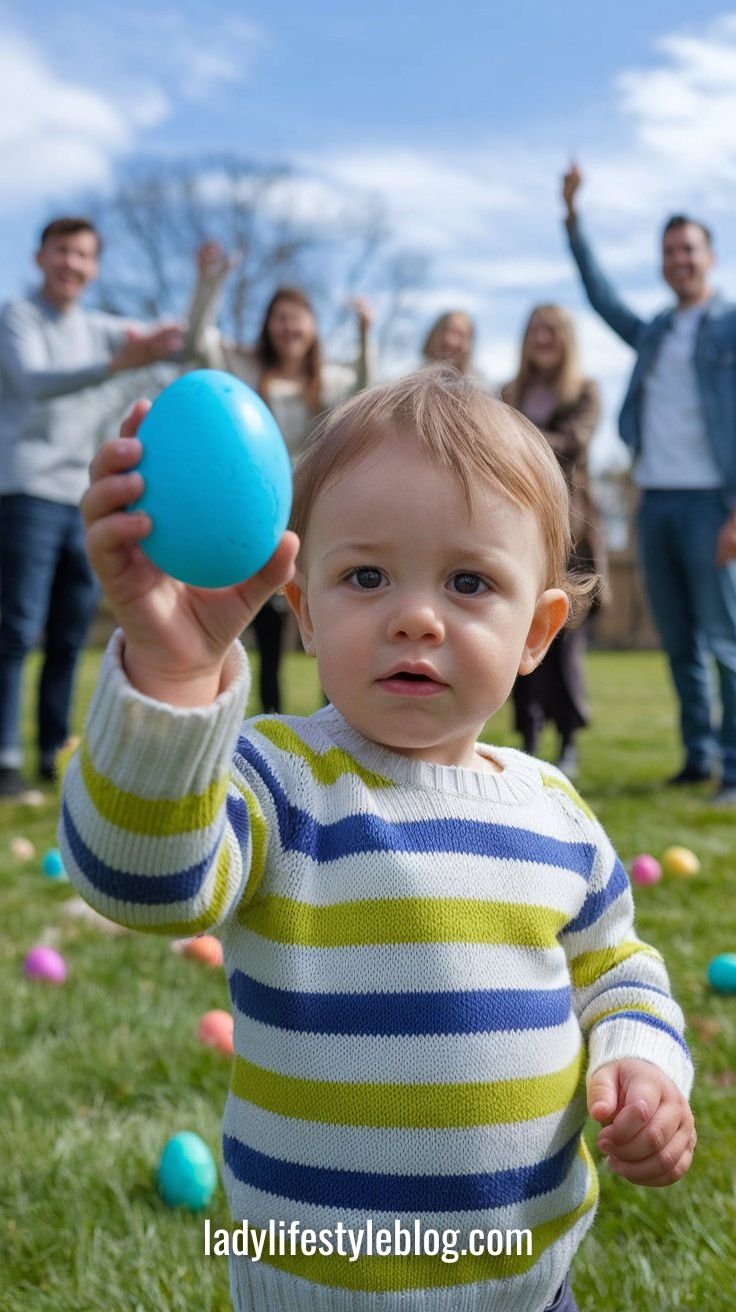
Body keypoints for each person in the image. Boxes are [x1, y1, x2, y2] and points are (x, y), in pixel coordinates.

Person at [61, 368, 694, 1312]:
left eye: (470, 581)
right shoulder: (278, 782)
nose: (415, 615)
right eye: (366, 576)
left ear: (538, 630)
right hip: (320, 1284)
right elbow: (145, 882)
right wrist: (173, 675)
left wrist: (641, 1059)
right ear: (306, 610)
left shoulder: (553, 811)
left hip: (531, 1282)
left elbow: (618, 967)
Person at [562, 163, 736, 803]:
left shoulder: (729, 326)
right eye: (669, 252)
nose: (679, 260)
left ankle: (735, 769)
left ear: (710, 257)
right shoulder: (657, 333)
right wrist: (574, 224)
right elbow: (603, 298)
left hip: (712, 503)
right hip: (655, 501)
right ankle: (698, 759)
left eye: (689, 249)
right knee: (680, 641)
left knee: (726, 639)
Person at [0, 215, 182, 797]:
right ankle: (4, 760)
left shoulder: (102, 328)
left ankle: (52, 756)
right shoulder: (19, 317)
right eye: (62, 252)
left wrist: (202, 291)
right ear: (40, 256)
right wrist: (116, 365)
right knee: (16, 630)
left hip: (83, 498)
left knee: (68, 634)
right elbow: (32, 381)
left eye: (82, 255)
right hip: (27, 490)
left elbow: (174, 342)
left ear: (94, 266)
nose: (71, 264)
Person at [186, 242, 374, 715]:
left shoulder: (328, 383)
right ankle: (271, 725)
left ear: (311, 329)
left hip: (317, 518)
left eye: (298, 317)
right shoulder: (248, 370)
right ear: (269, 327)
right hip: (260, 520)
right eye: (280, 317)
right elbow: (198, 343)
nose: (289, 326)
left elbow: (367, 394)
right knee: (268, 635)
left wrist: (366, 332)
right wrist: (210, 282)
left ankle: (340, 720)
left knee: (334, 619)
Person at [502, 304, 607, 779]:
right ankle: (528, 734)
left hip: (571, 531)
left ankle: (568, 738)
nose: (542, 337)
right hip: (517, 525)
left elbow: (575, 441)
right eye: (535, 329)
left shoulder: (584, 391)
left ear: (565, 339)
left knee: (562, 640)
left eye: (551, 330)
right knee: (516, 630)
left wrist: (515, 433)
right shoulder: (509, 392)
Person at [422, 310, 477, 375]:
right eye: (444, 330)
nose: (450, 340)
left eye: (460, 334)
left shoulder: (479, 383)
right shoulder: (412, 381)